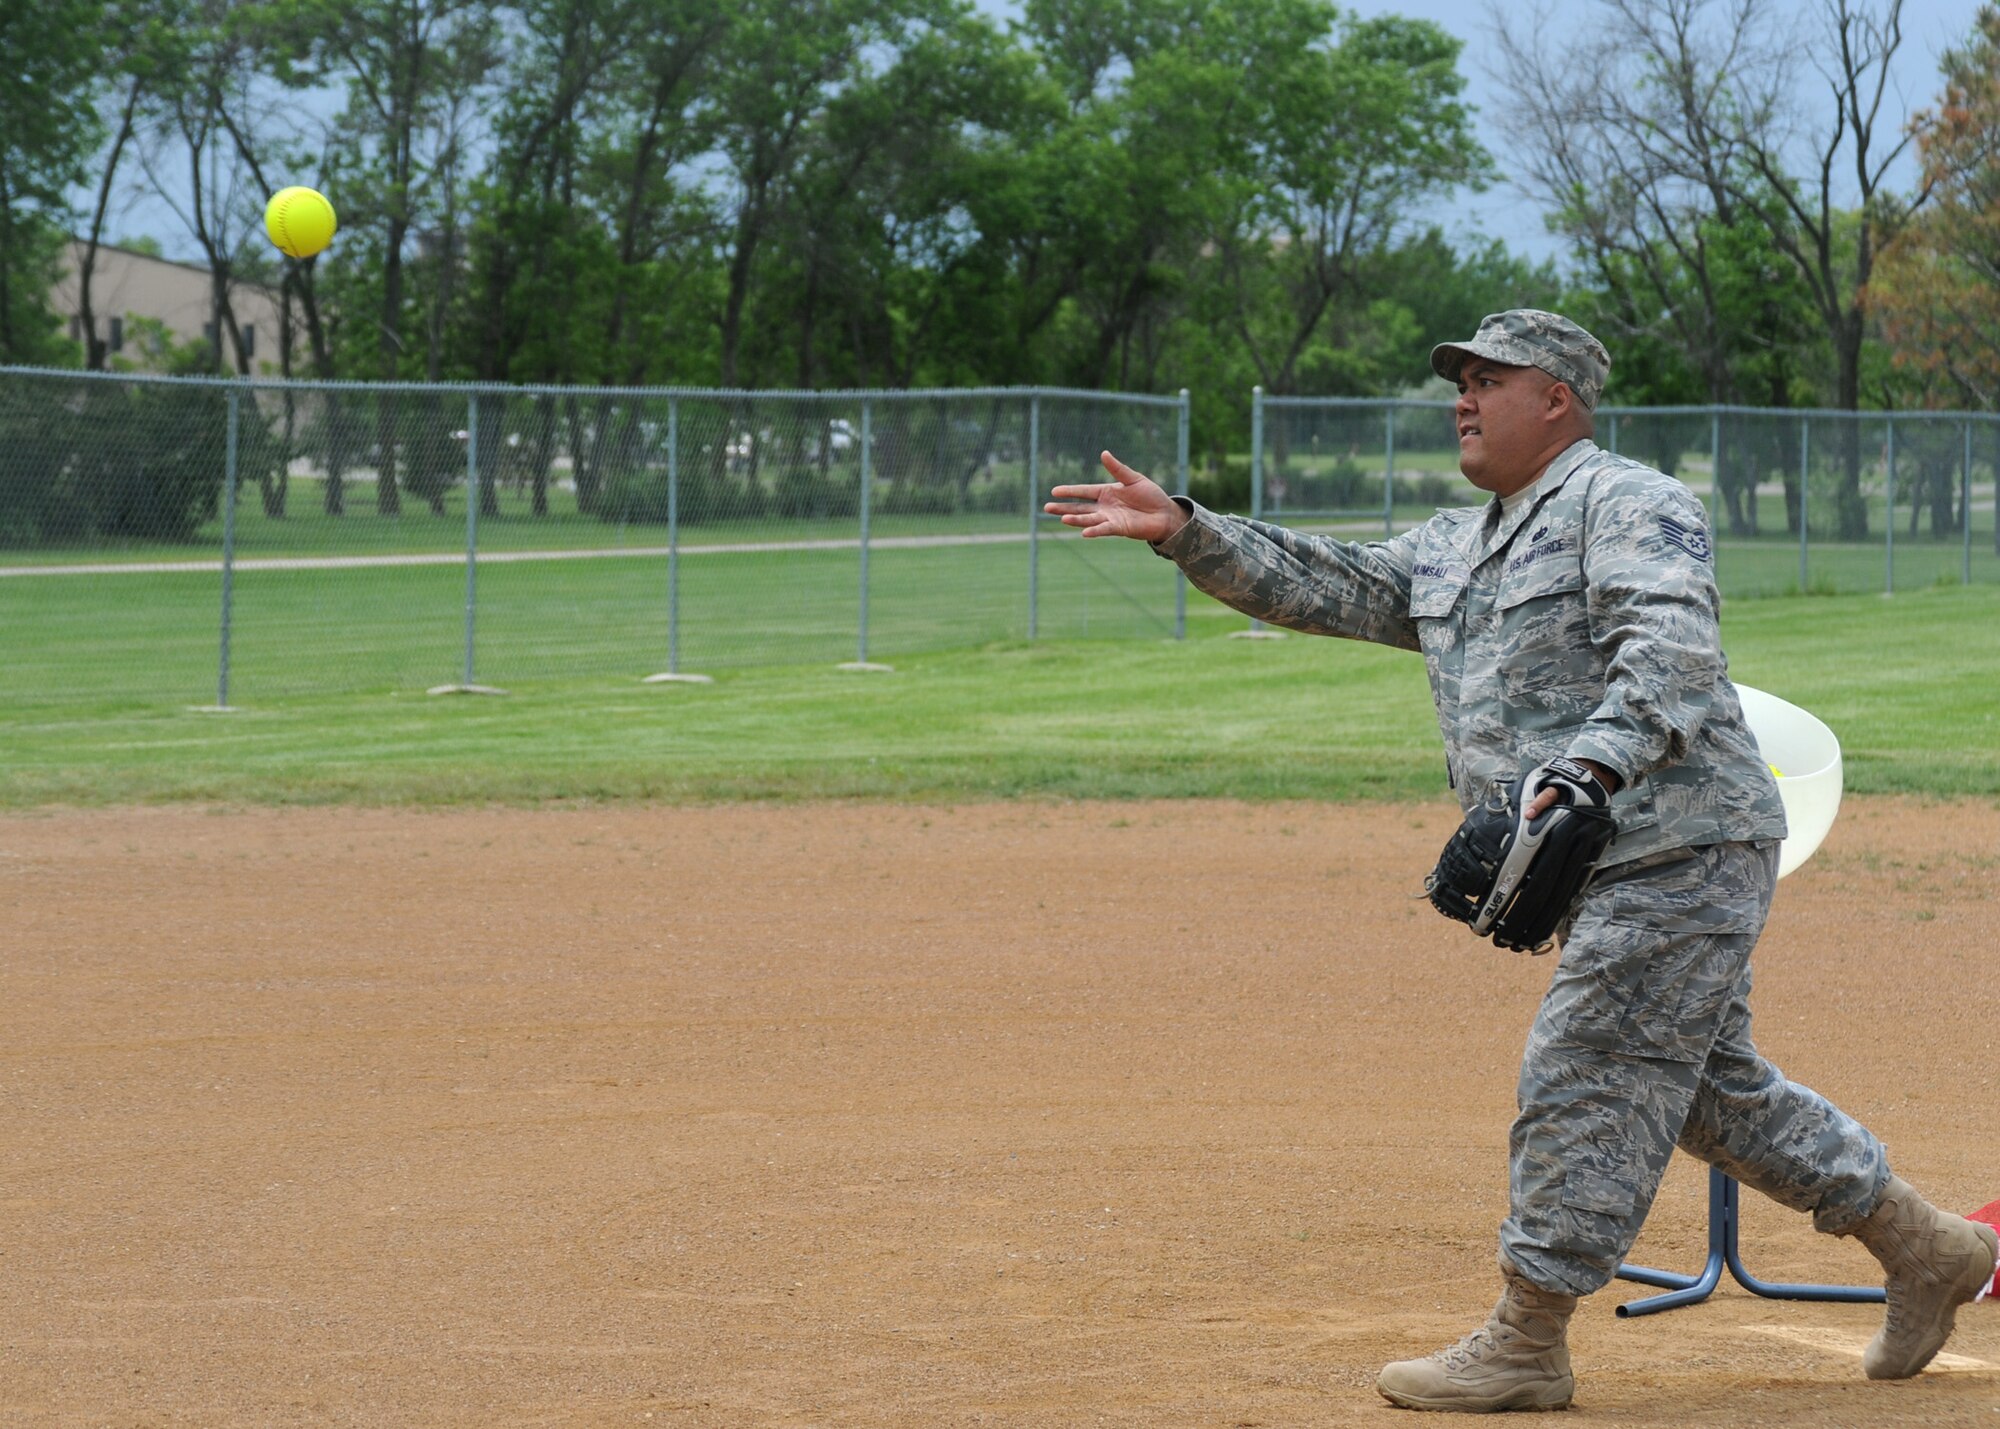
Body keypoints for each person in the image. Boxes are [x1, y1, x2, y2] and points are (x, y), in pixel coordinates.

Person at [1045, 309, 1998, 1413]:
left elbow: (1673, 654)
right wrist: (1183, 529)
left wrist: (1589, 763)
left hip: (1679, 840)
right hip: (1597, 861)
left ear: (1557, 398)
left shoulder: (1625, 502)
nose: (1461, 394)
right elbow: (1333, 580)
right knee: (1706, 1097)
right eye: (1458, 377)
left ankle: (1526, 1337)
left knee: (1583, 1063)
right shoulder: (1458, 542)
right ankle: (1924, 1247)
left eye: (1487, 377)